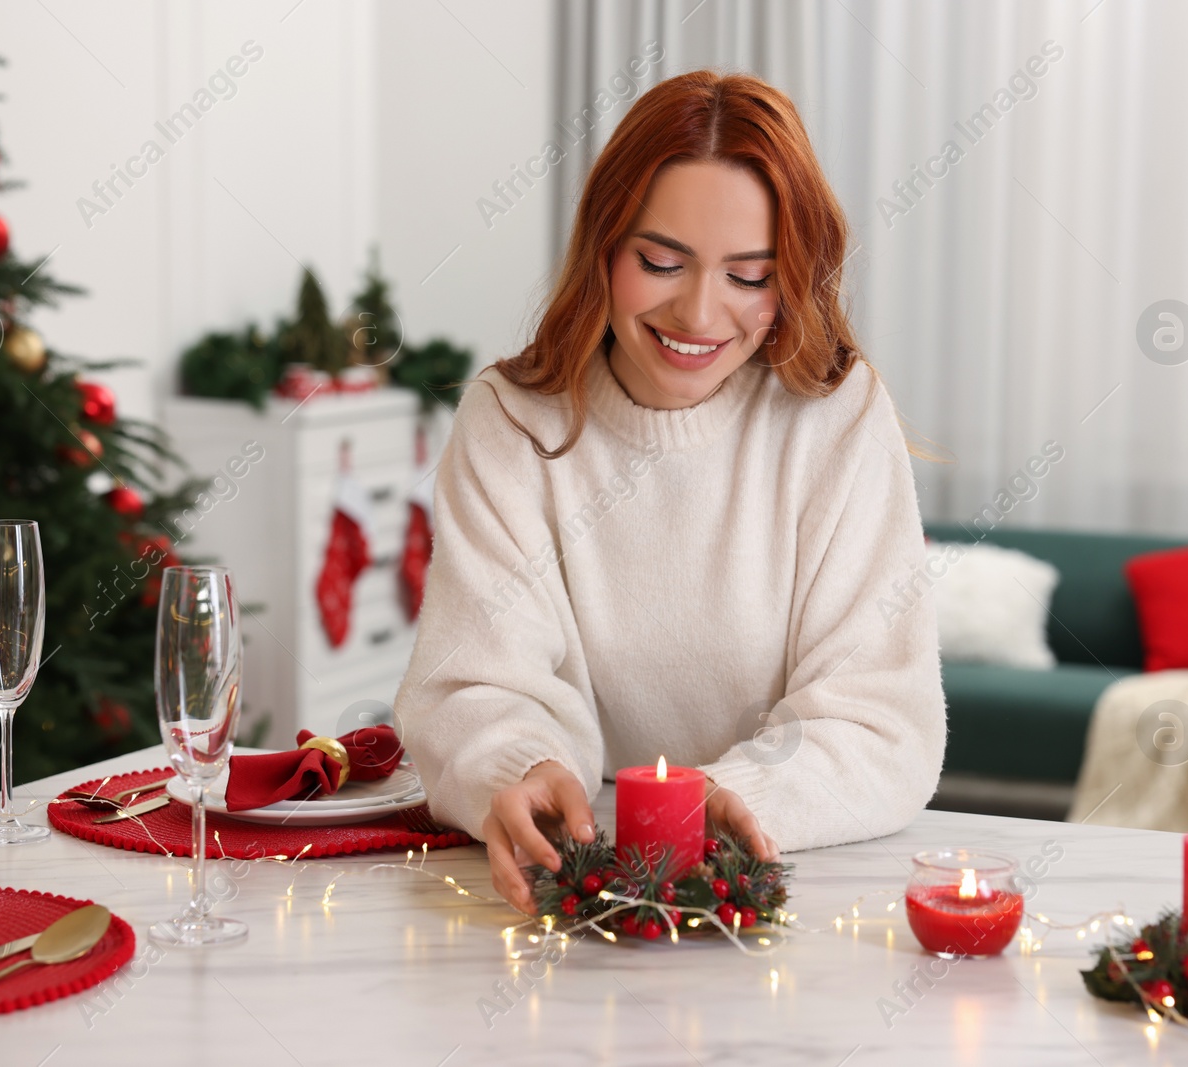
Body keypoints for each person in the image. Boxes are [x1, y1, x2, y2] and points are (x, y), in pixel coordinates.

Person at [394, 70, 945, 913]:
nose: (698, 313)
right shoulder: (511, 422)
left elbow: (883, 720)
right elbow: (471, 683)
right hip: (566, 885)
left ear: (790, 277)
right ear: (604, 247)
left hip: (785, 883)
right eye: (661, 262)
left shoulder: (837, 416)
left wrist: (741, 795)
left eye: (750, 277)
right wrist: (516, 765)